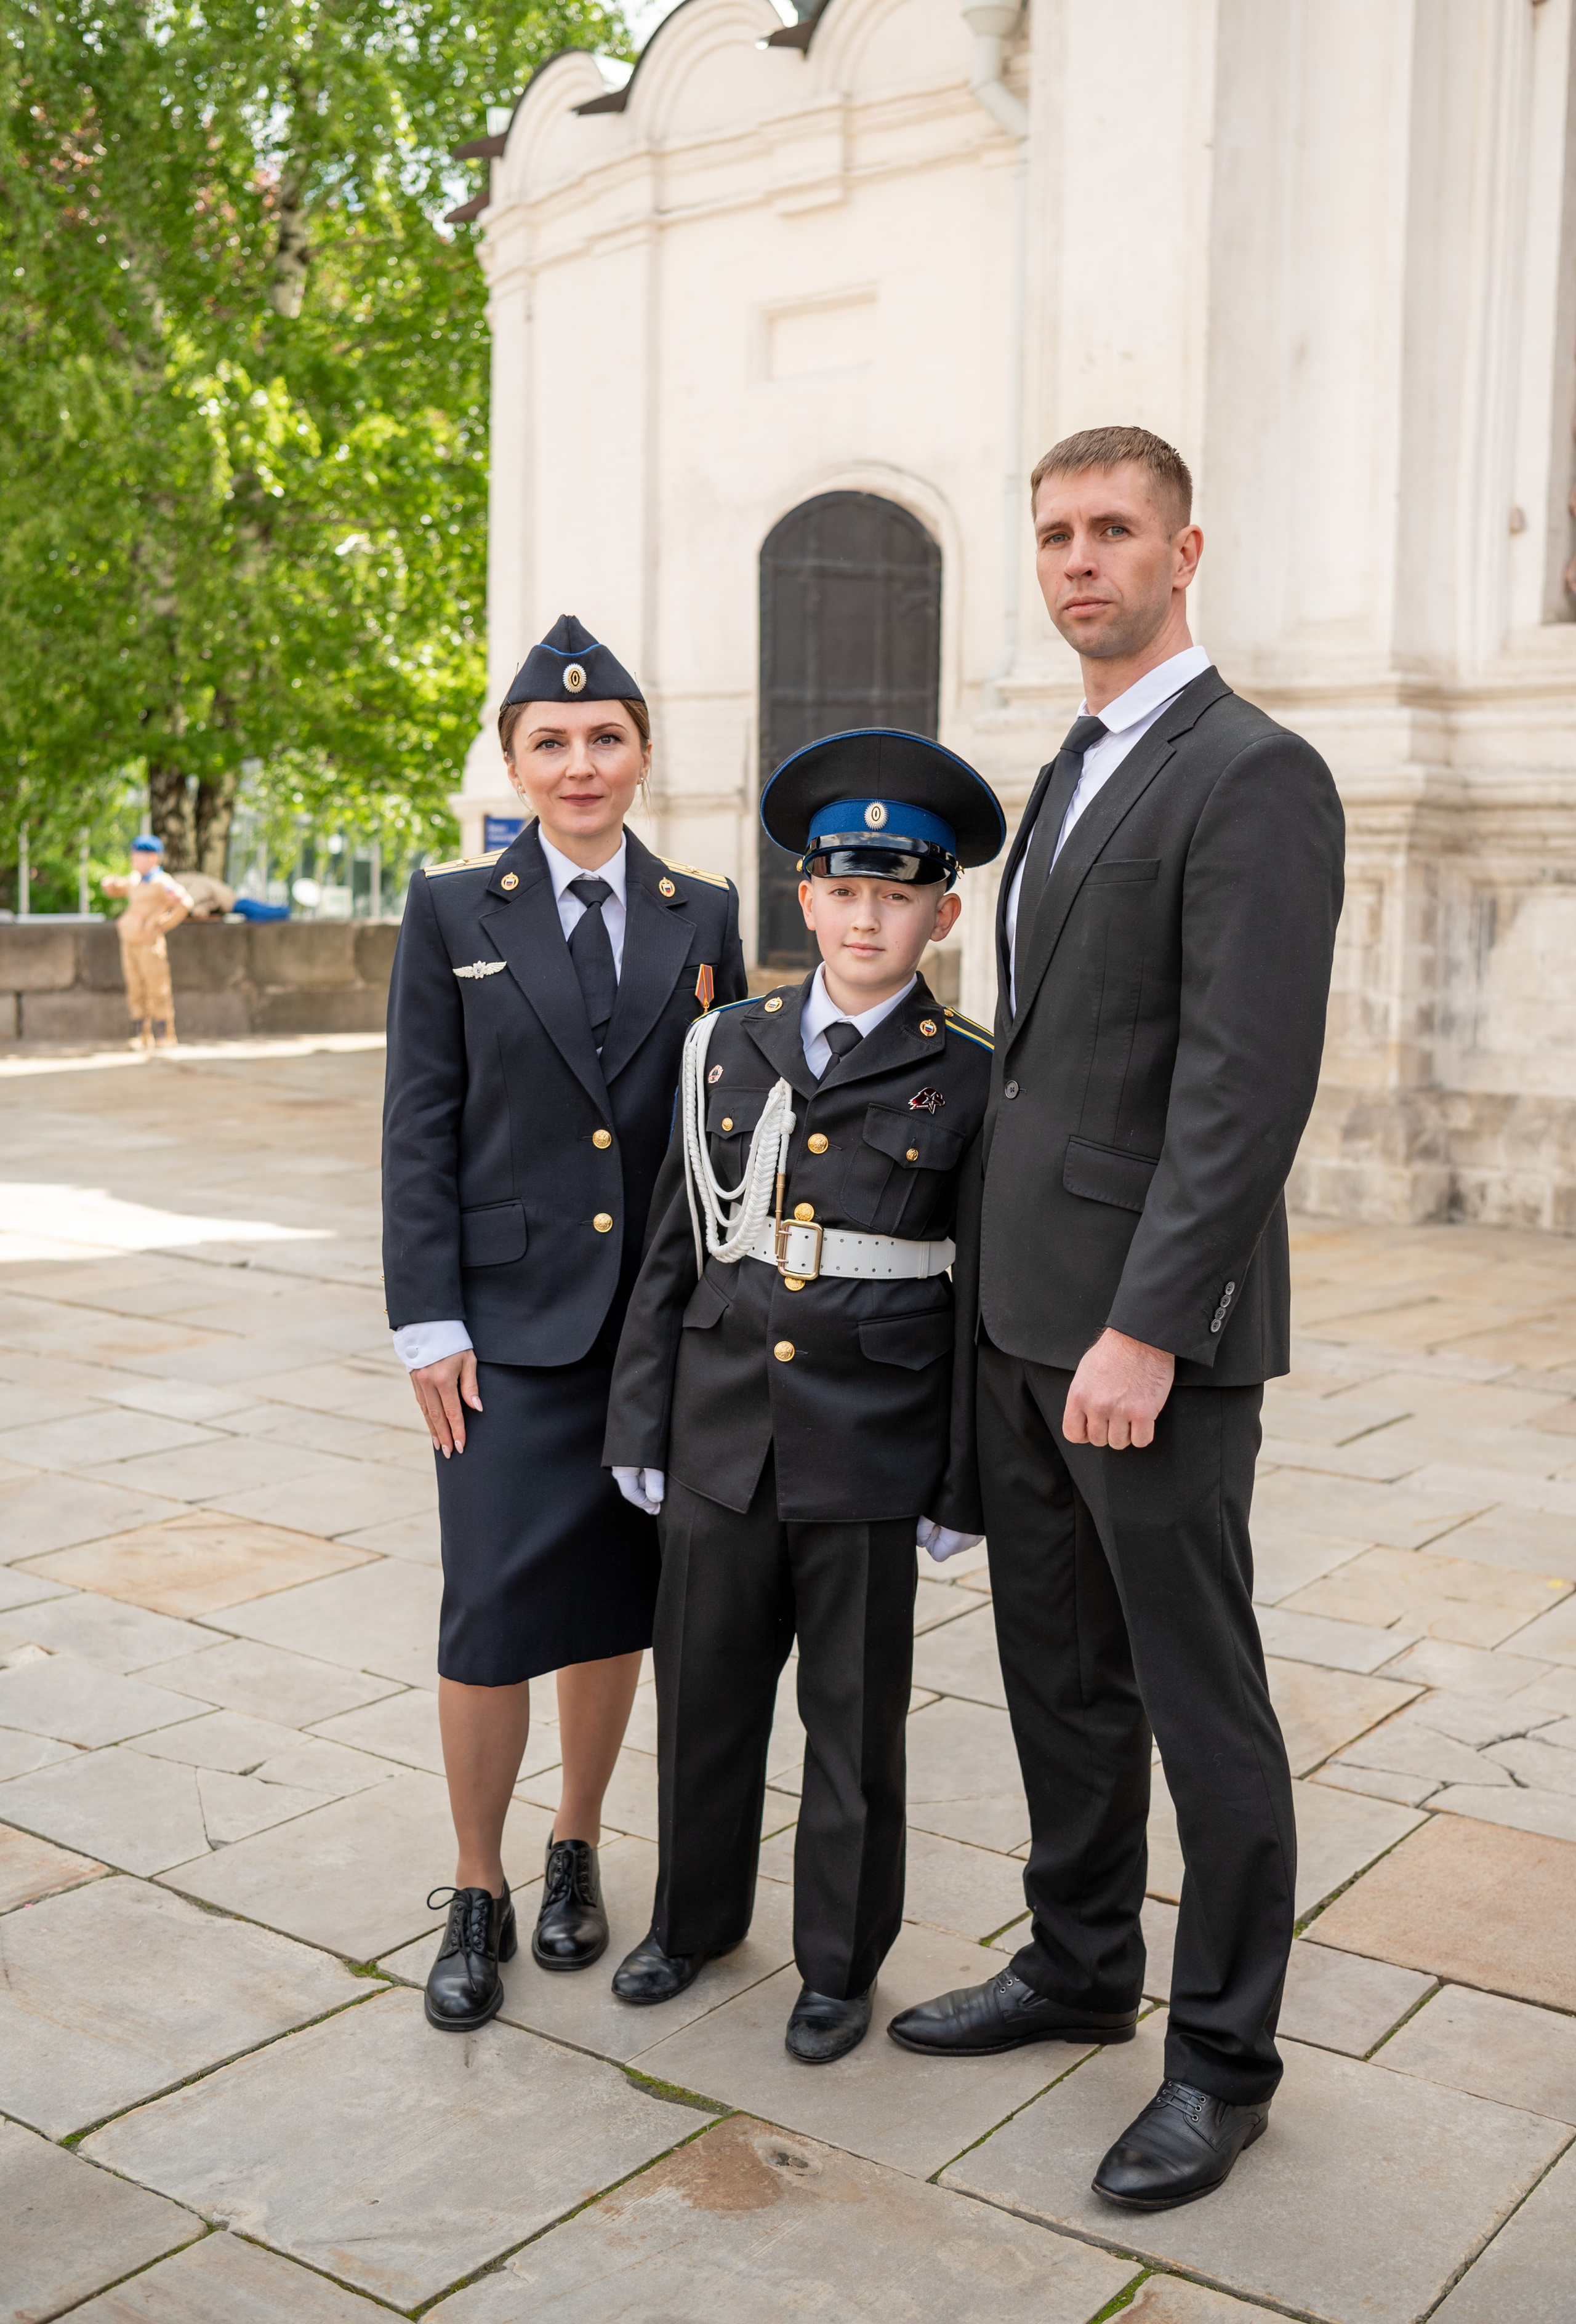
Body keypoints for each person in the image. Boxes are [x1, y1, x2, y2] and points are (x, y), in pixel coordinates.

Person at [887, 427, 1345, 2211]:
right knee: (1060, 1677)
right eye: (1057, 534)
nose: (1080, 561)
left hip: (1147, 1347)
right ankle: (1080, 1965)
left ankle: (1223, 2061)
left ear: (1185, 548)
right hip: (1024, 1324)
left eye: (1112, 532)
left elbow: (1243, 1084)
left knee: (1198, 1694)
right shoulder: (1074, 766)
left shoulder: (1254, 774)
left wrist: (1149, 1328)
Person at [602, 730, 1004, 2064]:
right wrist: (639, 1419)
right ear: (807, 899)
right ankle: (690, 1920)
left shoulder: (972, 1076)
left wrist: (960, 1478)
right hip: (720, 1431)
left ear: (940, 914)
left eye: (897, 896)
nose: (866, 918)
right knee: (702, 1700)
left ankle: (837, 1964)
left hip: (869, 1447)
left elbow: (976, 1296)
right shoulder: (728, 1044)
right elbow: (678, 1241)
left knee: (852, 1724)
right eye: (845, 890)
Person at [381, 614, 747, 2032]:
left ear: (641, 755)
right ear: (516, 761)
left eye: (604, 739)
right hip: (501, 1330)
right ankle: (474, 1881)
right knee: (483, 1613)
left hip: (651, 1334)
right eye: (552, 741)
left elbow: (716, 1119)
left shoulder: (698, 911)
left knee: (612, 1606)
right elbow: (419, 1124)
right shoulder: (451, 905)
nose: (580, 762)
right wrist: (428, 1319)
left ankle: (573, 1845)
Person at [101, 835, 193, 1049]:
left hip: (149, 943)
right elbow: (118, 889)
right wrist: (110, 885)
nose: (134, 861)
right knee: (135, 987)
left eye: (139, 857)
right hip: (130, 941)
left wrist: (164, 924)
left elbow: (185, 902)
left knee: (156, 986)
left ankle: (164, 1033)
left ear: (153, 858)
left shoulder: (162, 882)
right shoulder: (135, 879)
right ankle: (141, 1034)